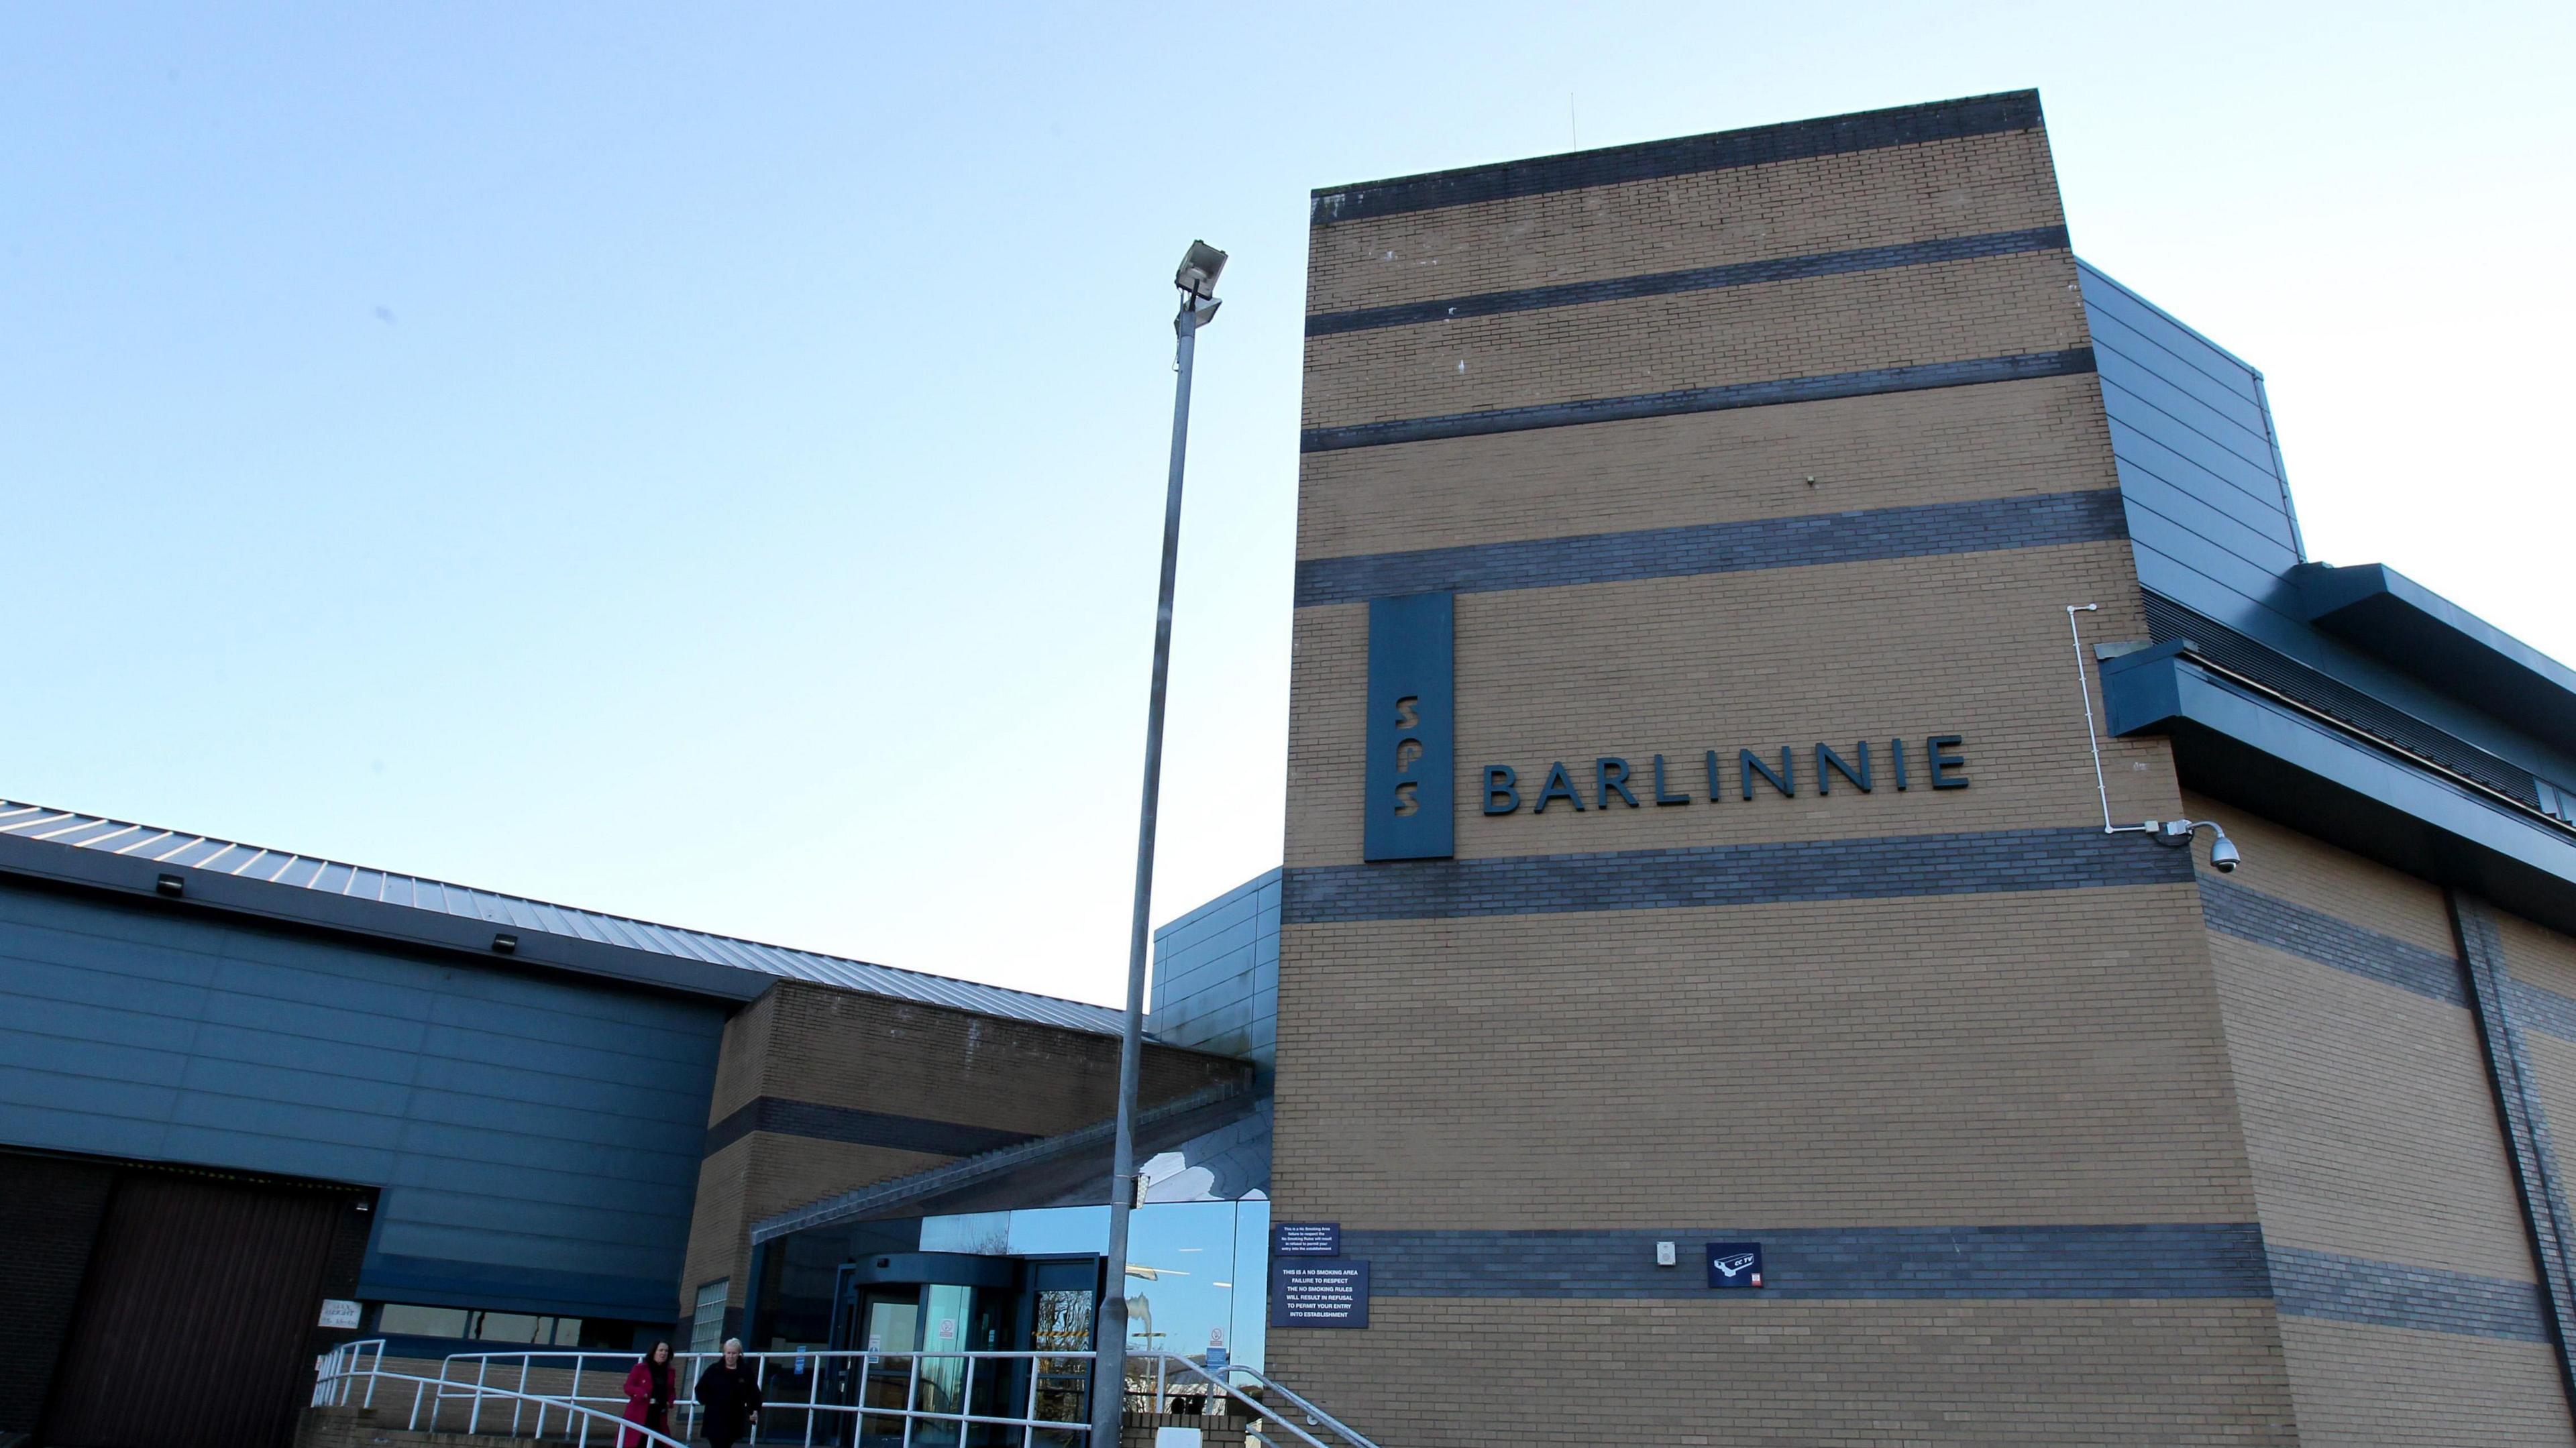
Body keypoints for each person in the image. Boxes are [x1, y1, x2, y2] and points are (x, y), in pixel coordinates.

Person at [693, 1338, 763, 1448]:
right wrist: (707, 1400)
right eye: (728, 1353)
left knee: (726, 1444)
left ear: (739, 1354)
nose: (731, 1356)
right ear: (724, 1353)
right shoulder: (714, 1369)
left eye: (734, 1353)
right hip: (714, 1415)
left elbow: (754, 1393)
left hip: (734, 1416)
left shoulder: (745, 1372)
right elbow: (700, 1388)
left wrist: (754, 1410)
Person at [620, 1341, 675, 1447]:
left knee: (659, 1442)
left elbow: (671, 1390)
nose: (664, 1353)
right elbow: (628, 1387)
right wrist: (641, 1392)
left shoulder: (670, 1371)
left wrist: (670, 1401)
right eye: (661, 1350)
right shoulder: (640, 1368)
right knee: (639, 1441)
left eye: (666, 1351)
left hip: (659, 1412)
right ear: (654, 1352)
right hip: (641, 1410)